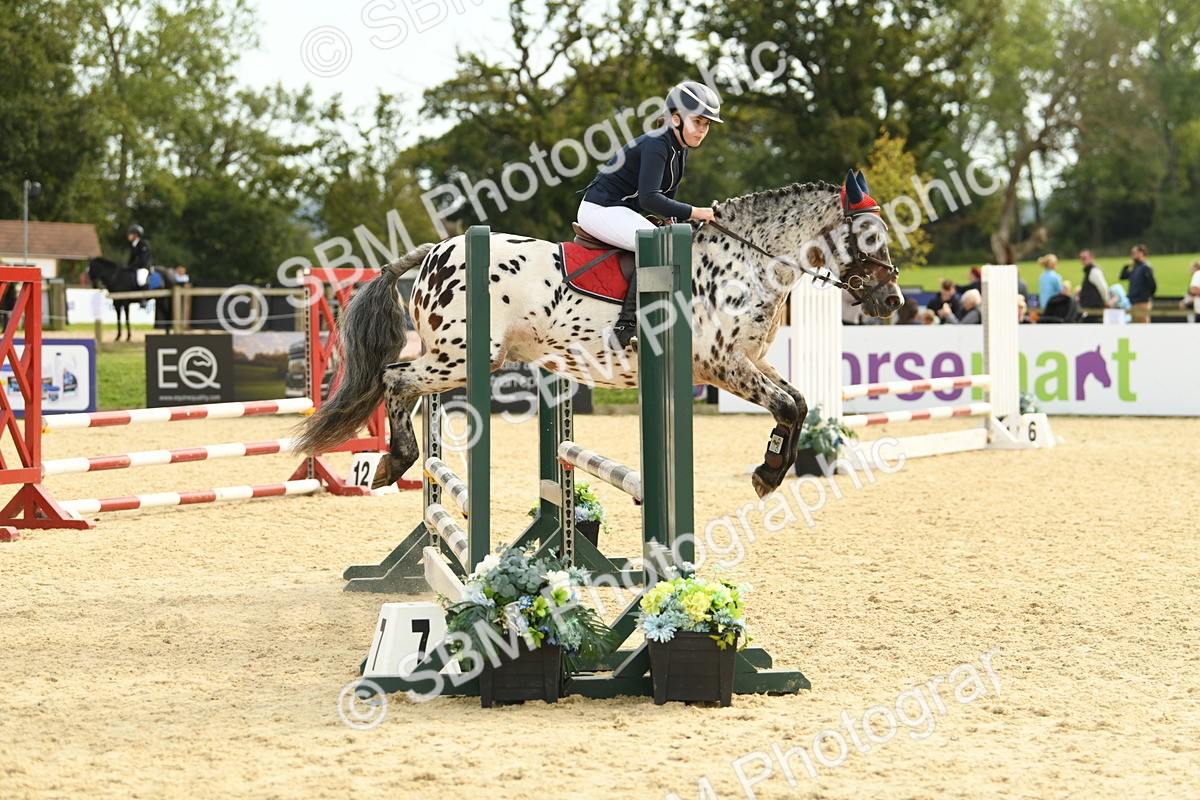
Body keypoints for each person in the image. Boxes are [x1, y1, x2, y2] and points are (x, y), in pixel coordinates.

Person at [577, 81, 721, 348]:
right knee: (656, 246)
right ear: (676, 119)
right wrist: (697, 212)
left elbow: (669, 200)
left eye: (707, 124)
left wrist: (678, 222)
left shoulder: (680, 148)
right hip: (600, 209)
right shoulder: (657, 144)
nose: (702, 130)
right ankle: (625, 326)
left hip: (620, 210)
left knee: (673, 240)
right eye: (697, 122)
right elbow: (650, 198)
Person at [1119, 244, 1157, 323]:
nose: (1132, 255)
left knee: (1141, 326)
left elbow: (1152, 285)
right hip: (1134, 302)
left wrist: (1146, 296)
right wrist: (1126, 266)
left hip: (1142, 302)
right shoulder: (1135, 268)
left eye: (1134, 252)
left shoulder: (1145, 267)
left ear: (1141, 253)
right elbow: (1122, 277)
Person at [1077, 249, 1109, 322]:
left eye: (1084, 258)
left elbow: (1103, 288)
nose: (1082, 260)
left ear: (1091, 258)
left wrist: (1105, 301)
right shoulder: (1089, 270)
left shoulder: (1094, 271)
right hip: (1089, 308)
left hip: (1095, 309)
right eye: (1081, 258)